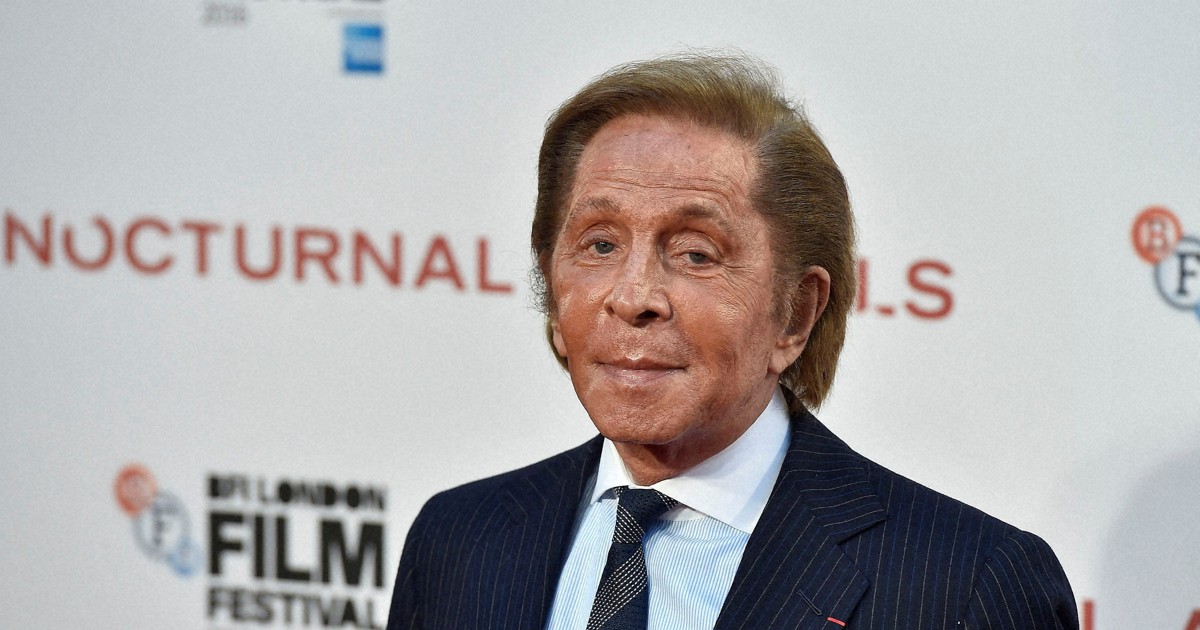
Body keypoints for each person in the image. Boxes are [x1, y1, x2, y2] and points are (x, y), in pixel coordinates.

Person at [386, 52, 1078, 629]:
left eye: (696, 254)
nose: (633, 296)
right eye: (599, 245)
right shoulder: (460, 539)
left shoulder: (964, 587)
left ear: (795, 314)